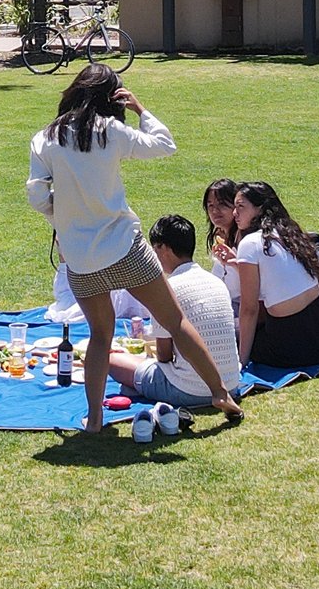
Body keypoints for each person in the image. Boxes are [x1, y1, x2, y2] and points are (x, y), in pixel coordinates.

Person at [26, 63, 244, 433]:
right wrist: (141, 110)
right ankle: (220, 393)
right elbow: (165, 144)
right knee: (175, 322)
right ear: (112, 97)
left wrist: (59, 218)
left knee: (100, 335)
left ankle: (94, 419)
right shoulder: (112, 131)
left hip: (80, 258)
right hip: (125, 248)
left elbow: (35, 194)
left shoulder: (45, 138)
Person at [103, 214, 241, 414]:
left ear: (163, 248)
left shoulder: (168, 290)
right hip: (231, 382)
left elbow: (164, 356)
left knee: (112, 360)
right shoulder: (216, 282)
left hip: (188, 389)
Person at [216, 179, 319, 370]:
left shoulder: (250, 243)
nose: (234, 213)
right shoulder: (288, 232)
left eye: (241, 207)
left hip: (291, 343)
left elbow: (249, 311)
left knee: (224, 333)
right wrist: (237, 264)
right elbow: (278, 278)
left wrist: (242, 361)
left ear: (260, 209)